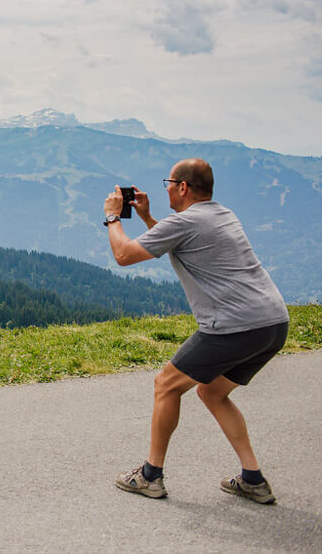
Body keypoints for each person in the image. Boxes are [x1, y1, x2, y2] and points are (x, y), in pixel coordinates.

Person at [105, 158, 289, 504]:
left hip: (233, 326)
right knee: (212, 393)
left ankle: (150, 476)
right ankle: (253, 479)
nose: (167, 189)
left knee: (166, 384)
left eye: (169, 183)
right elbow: (178, 239)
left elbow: (124, 255)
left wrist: (113, 216)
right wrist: (146, 217)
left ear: (183, 187)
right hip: (273, 323)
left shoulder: (186, 222)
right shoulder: (221, 214)